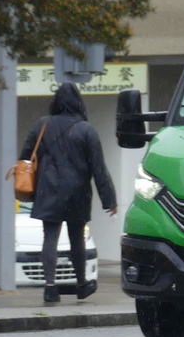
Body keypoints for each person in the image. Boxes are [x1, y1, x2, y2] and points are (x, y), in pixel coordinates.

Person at [20, 83, 117, 304]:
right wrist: (109, 200)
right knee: (77, 239)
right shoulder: (86, 130)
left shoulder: (42, 125)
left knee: (50, 237)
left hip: (48, 189)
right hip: (77, 192)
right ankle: (82, 284)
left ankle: (50, 287)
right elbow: (98, 168)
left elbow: (25, 155)